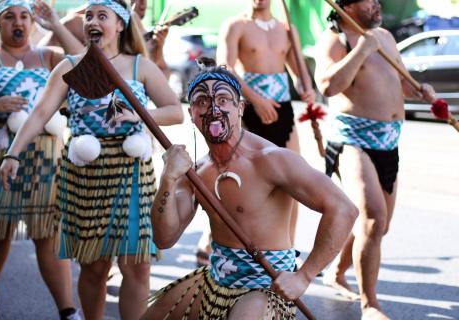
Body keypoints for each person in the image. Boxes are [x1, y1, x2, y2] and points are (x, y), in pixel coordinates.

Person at [0, 1, 183, 319]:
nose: (92, 21)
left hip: (131, 172)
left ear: (121, 25)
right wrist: (12, 152)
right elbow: (41, 113)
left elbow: (175, 111)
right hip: (85, 174)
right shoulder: (70, 65)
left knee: (138, 266)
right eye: (88, 16)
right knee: (95, 268)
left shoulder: (140, 65)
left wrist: (142, 114)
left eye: (102, 16)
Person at [142, 59, 358, 319]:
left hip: (264, 287)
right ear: (192, 114)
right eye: (202, 101)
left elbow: (344, 209)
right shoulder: (194, 172)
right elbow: (164, 238)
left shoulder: (271, 159)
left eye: (223, 99)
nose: (212, 107)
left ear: (240, 108)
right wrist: (168, 178)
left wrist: (304, 276)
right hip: (215, 279)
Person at [314, 0, 436, 318]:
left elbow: (402, 81)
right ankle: (371, 304)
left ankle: (336, 272)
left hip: (389, 140)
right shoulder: (335, 38)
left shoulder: (384, 36)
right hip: (352, 139)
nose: (377, 4)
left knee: (378, 227)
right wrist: (360, 51)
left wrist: (420, 89)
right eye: (369, 0)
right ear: (348, 5)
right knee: (373, 218)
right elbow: (327, 86)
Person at [0, 1, 83, 319]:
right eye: (9, 17)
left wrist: (57, 25)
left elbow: (86, 64)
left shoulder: (48, 55)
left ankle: (67, 310)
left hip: (45, 157)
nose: (18, 22)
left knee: (47, 232)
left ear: (32, 23)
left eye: (24, 16)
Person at [215, 0, 316, 254]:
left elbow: (295, 68)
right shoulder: (235, 25)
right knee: (246, 181)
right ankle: (219, 239)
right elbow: (225, 68)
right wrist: (256, 100)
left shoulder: (286, 28)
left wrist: (306, 87)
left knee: (294, 179)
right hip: (249, 110)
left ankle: (287, 248)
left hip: (283, 109)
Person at [38, 0, 170, 77]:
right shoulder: (73, 23)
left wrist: (158, 51)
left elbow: (161, 79)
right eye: (89, 17)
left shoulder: (134, 23)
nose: (142, 3)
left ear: (120, 25)